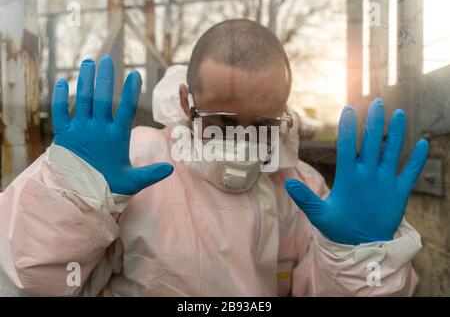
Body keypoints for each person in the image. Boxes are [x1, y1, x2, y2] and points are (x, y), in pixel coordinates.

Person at [0, 19, 428, 296]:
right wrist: (69, 198)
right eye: (223, 122)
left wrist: (359, 261)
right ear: (187, 102)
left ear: (283, 113)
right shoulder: (128, 166)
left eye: (260, 125)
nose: (241, 143)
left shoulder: (303, 191)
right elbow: (30, 284)